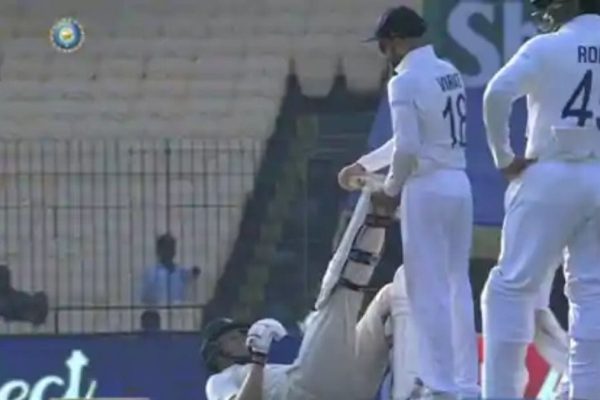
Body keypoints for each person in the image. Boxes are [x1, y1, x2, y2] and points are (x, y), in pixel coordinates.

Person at [340, 5, 478, 398]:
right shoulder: (447, 71)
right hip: (458, 183)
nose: (384, 52)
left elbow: (408, 148)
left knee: (425, 287)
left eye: (384, 44)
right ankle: (466, 382)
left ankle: (438, 383)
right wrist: (366, 164)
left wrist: (391, 187)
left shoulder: (403, 82)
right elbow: (409, 140)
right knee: (457, 283)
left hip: (426, 188)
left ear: (398, 40)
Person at [481, 0, 600, 398]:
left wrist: (504, 157)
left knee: (510, 289)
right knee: (592, 295)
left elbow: (497, 93)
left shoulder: (547, 47)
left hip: (550, 172)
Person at [201, 187, 423, 400]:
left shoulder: (267, 370)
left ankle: (411, 390)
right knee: (338, 293)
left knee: (392, 295)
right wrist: (259, 359)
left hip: (350, 388)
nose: (242, 339)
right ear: (215, 352)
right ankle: (374, 208)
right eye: (232, 338)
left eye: (241, 333)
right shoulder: (219, 381)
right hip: (307, 390)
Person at [140, 233, 201, 307]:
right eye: (167, 248)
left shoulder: (180, 272)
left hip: (178, 311)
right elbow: (144, 296)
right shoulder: (151, 272)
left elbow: (192, 274)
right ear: (159, 250)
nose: (170, 251)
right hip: (158, 311)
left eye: (172, 248)